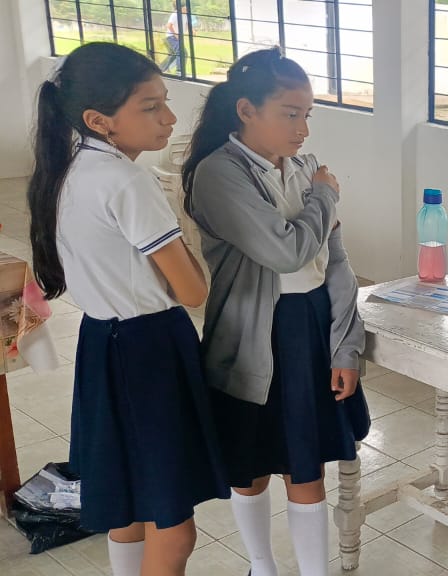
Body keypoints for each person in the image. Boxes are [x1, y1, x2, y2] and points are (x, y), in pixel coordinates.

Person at [26, 43, 224, 576]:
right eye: (151, 106)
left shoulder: (68, 169)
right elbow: (192, 292)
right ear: (99, 120)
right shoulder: (127, 181)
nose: (170, 118)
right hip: (149, 350)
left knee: (129, 506)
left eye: (165, 101)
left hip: (102, 341)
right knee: (174, 527)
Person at [182, 48, 369, 576]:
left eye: (307, 114)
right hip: (252, 336)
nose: (303, 129)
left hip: (309, 325)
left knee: (306, 467)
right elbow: (286, 252)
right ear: (246, 109)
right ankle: (261, 567)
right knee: (252, 466)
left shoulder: (305, 167)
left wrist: (346, 345)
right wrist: (325, 198)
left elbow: (335, 260)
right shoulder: (220, 173)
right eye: (290, 114)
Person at [158, 1, 186, 74]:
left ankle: (161, 69)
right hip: (171, 37)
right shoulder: (175, 14)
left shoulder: (184, 15)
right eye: (185, 7)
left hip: (175, 37)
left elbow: (187, 24)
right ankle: (179, 71)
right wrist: (175, 34)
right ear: (181, 8)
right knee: (182, 52)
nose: (187, 9)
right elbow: (169, 25)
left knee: (173, 55)